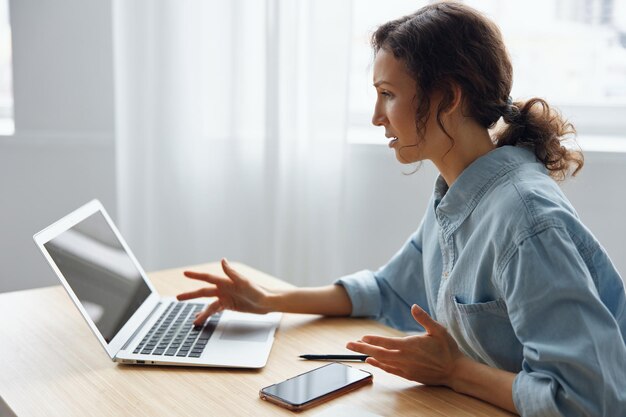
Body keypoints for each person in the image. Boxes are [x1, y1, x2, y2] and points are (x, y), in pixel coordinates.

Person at [177, 2, 626, 416]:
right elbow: (389, 290)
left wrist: (454, 371)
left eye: (388, 94)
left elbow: (586, 400)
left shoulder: (526, 221)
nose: (377, 116)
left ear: (449, 98)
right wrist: (272, 301)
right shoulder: (456, 195)